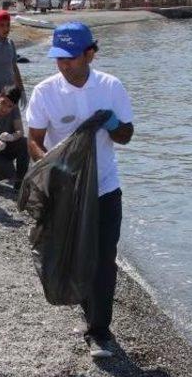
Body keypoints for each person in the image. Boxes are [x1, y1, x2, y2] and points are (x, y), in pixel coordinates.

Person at [26, 22, 134, 359]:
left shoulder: (110, 87)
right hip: (65, 193)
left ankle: (99, 331)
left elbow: (127, 135)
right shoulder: (45, 91)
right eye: (58, 58)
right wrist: (53, 165)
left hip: (104, 189)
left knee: (103, 260)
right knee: (75, 255)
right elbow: (34, 140)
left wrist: (112, 124)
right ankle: (89, 313)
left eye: (70, 58)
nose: (63, 64)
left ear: (90, 53)